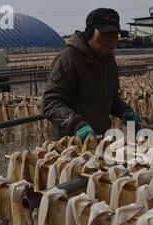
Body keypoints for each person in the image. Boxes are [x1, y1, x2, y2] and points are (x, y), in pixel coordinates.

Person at [42, 8, 141, 142]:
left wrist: (124, 110)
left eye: (115, 35)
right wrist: (77, 124)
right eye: (106, 35)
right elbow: (51, 103)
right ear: (90, 32)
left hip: (100, 138)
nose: (112, 40)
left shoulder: (108, 59)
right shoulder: (69, 59)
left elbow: (110, 97)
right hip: (71, 141)